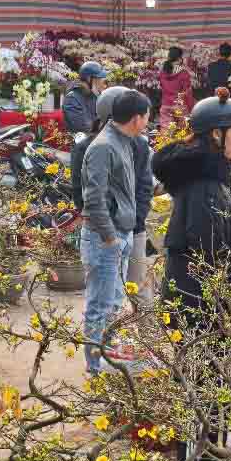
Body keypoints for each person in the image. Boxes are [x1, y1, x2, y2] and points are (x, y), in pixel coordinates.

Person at [152, 88, 231, 461]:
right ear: (214, 135)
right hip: (199, 306)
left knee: (212, 390)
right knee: (199, 392)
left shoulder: (214, 177)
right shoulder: (206, 187)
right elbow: (212, 256)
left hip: (210, 306)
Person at [80, 90, 151, 376]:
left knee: (112, 305)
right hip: (104, 238)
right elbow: (93, 199)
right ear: (136, 118)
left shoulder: (124, 141)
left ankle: (105, 361)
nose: (148, 121)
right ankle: (95, 368)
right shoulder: (104, 146)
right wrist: (110, 238)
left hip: (120, 234)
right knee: (100, 306)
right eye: (147, 116)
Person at [71, 87, 154, 305]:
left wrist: (135, 221)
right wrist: (110, 232)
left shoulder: (138, 144)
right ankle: (107, 338)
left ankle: (146, 338)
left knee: (140, 292)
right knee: (105, 301)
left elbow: (144, 187)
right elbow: (84, 195)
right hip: (107, 233)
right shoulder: (92, 147)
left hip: (133, 229)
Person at [63, 61, 108, 134]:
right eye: (99, 78)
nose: (102, 83)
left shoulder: (94, 95)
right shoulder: (72, 98)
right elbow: (84, 128)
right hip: (82, 143)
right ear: (89, 79)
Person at [159, 47, 196, 129]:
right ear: (179, 58)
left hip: (166, 105)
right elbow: (187, 92)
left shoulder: (162, 72)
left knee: (166, 135)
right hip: (179, 107)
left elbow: (161, 88)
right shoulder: (183, 73)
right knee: (182, 135)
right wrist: (191, 108)